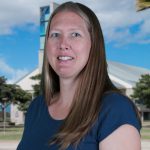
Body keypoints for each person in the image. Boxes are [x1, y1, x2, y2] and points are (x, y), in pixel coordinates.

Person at [17, 1, 141, 150]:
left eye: (75, 34)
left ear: (94, 44)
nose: (63, 44)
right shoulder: (36, 107)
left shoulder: (114, 110)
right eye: (55, 34)